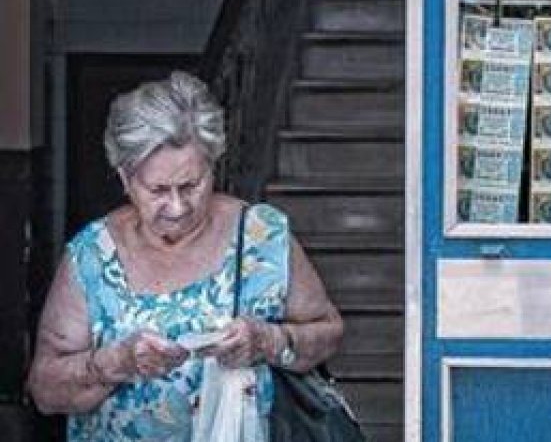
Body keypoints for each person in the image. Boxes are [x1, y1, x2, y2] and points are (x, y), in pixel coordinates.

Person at [27, 72, 343, 440]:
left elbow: (327, 332)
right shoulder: (92, 255)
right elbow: (45, 390)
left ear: (212, 165)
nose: (177, 207)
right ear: (125, 178)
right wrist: (116, 363)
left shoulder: (262, 236)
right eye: (158, 190)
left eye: (192, 185)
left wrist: (267, 341)